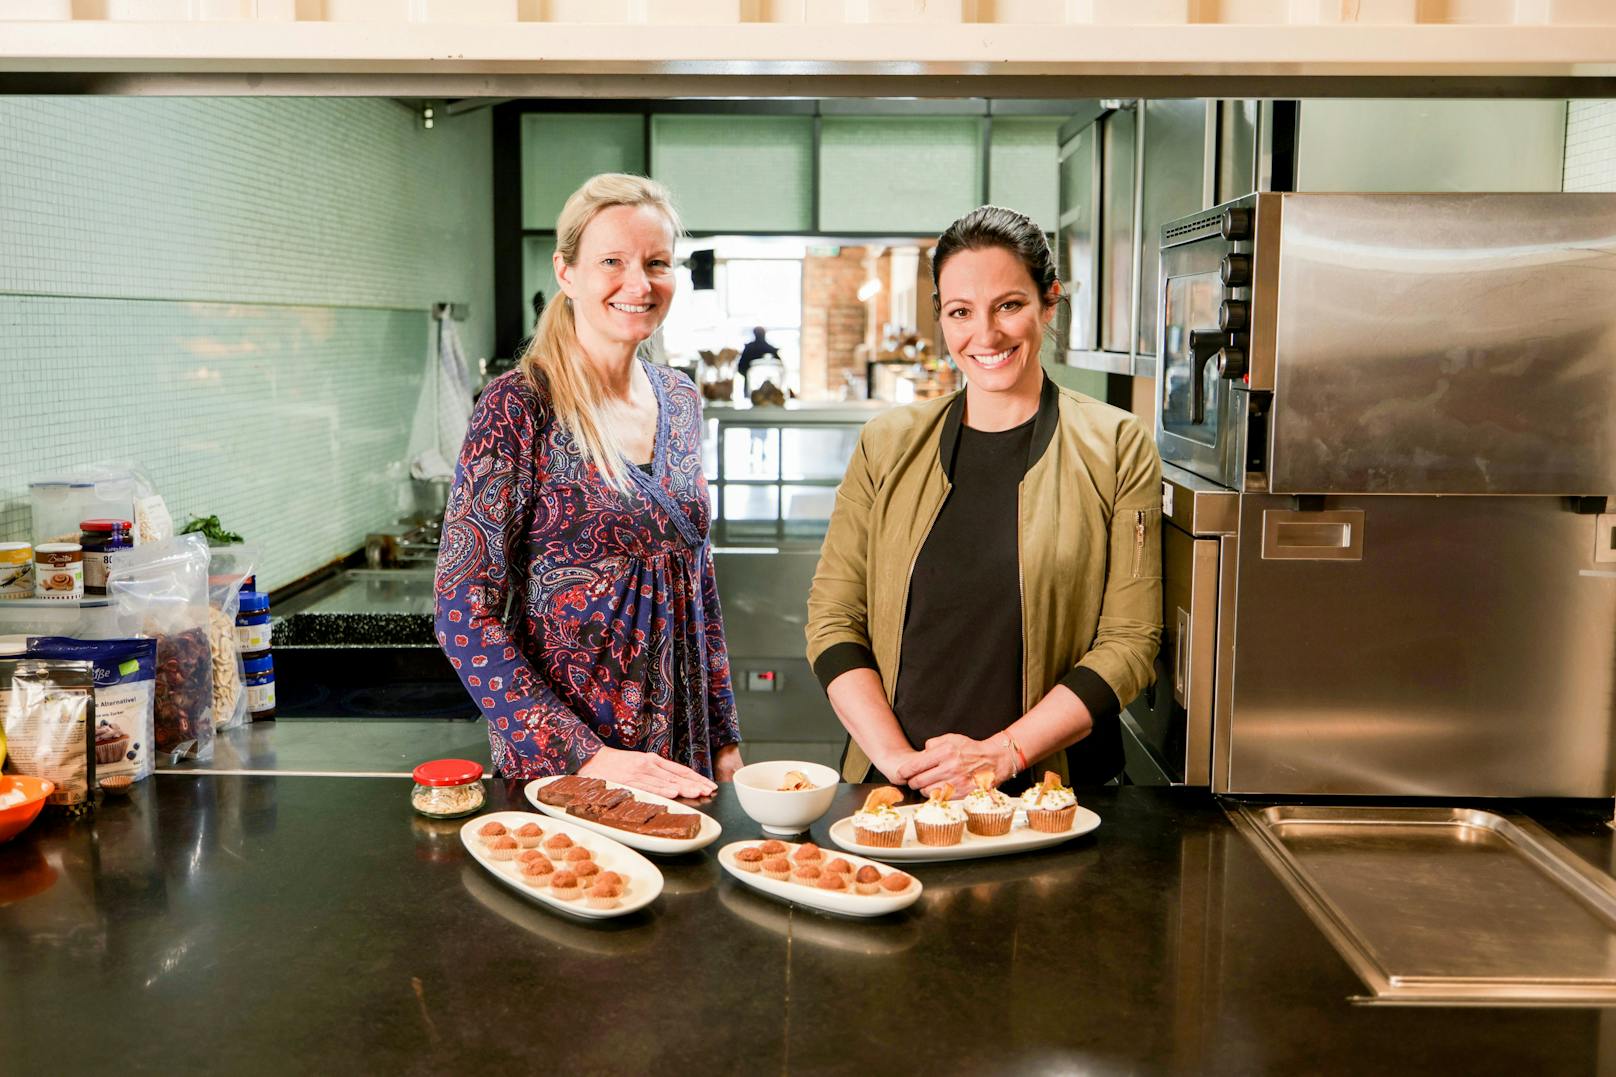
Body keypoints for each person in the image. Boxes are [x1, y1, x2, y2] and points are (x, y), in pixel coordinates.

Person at [805, 205, 1162, 795]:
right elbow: (833, 618)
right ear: (942, 319)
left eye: (1010, 305)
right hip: (896, 790)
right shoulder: (887, 443)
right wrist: (898, 761)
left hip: (1054, 794)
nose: (986, 335)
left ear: (1049, 304)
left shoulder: (1117, 444)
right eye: (961, 312)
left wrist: (1000, 755)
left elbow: (1130, 642)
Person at [435, 173, 742, 799]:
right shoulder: (519, 405)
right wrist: (587, 756)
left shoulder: (680, 398)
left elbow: (697, 578)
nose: (640, 283)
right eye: (612, 261)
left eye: (657, 263)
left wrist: (725, 735)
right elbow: (462, 609)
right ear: (567, 273)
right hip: (570, 763)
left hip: (681, 753)